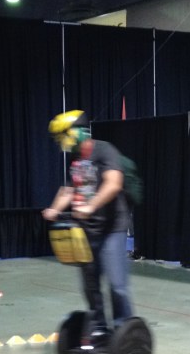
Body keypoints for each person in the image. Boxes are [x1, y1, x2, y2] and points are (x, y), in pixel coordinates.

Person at [42, 110, 133, 341]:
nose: (61, 142)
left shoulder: (104, 150)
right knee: (90, 285)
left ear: (78, 132)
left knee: (116, 284)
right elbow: (69, 189)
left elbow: (113, 184)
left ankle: (124, 331)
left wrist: (91, 206)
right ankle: (99, 326)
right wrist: (54, 209)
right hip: (86, 231)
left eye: (63, 136)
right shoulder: (75, 159)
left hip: (112, 228)